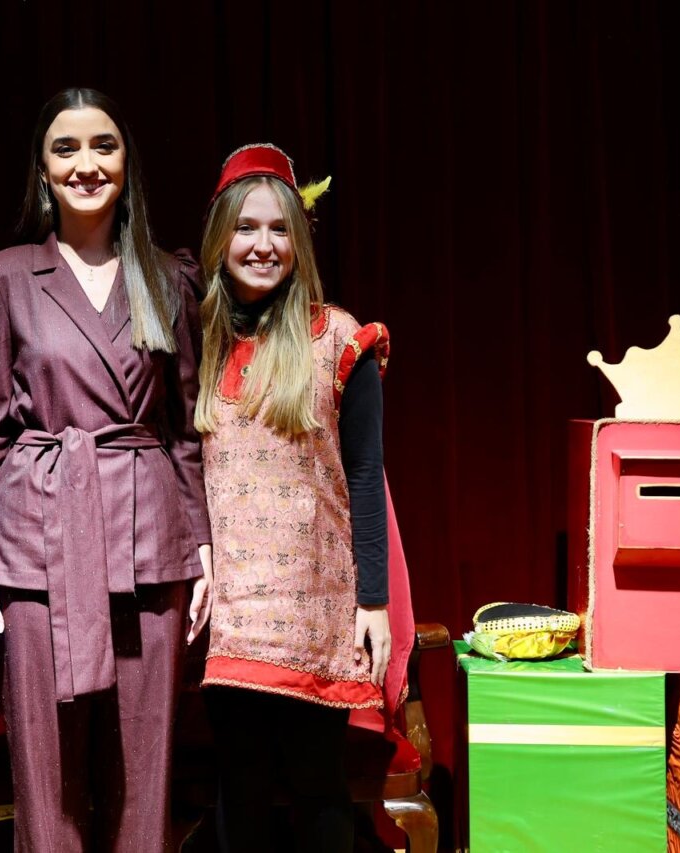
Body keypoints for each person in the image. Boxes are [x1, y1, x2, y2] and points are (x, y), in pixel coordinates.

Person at [0, 87, 212, 852]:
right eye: (65, 149)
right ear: (42, 170)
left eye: (103, 145)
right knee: (46, 772)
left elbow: (187, 425)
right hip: (36, 539)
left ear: (127, 163)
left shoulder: (168, 278)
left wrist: (203, 541)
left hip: (148, 535)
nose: (86, 163)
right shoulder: (4, 275)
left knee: (144, 768)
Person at [193, 144, 392, 852]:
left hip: (314, 605)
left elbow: (366, 477)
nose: (263, 244)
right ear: (221, 237)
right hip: (237, 613)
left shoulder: (337, 338)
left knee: (317, 790)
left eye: (279, 229)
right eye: (247, 227)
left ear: (299, 240)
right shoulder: (199, 342)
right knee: (241, 789)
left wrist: (375, 602)